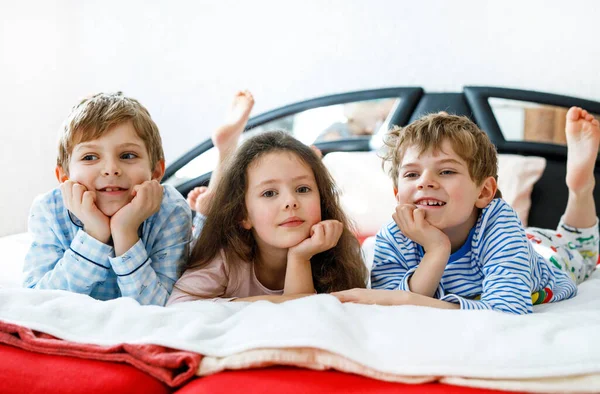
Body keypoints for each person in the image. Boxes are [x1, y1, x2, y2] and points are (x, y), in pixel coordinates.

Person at [333, 107, 599, 314]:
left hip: (543, 255)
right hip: (515, 245)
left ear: (483, 192)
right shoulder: (391, 239)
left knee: (580, 252)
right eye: (412, 174)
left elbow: (507, 310)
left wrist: (404, 299)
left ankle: (580, 187)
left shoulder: (499, 224)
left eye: (446, 171)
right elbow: (390, 302)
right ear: (397, 195)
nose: (425, 181)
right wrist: (437, 250)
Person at [22, 90, 253, 306]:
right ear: (64, 177)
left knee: (208, 255)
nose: (111, 169)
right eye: (90, 157)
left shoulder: (169, 209)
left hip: (192, 246)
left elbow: (161, 305)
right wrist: (93, 235)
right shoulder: (49, 210)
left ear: (155, 173)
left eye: (128, 155)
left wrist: (125, 232)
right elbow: (39, 301)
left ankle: (224, 160)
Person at [167, 131, 367, 304]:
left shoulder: (342, 249)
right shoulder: (224, 258)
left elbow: (304, 321)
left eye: (303, 189)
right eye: (269, 193)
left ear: (322, 200)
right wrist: (283, 301)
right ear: (243, 215)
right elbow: (180, 306)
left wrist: (299, 258)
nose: (290, 201)